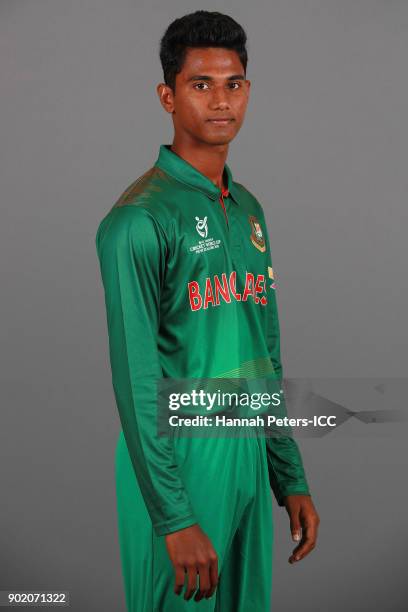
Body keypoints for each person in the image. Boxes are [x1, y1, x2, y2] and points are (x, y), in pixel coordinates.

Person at [95, 10, 320, 611]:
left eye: (234, 84)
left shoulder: (247, 208)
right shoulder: (137, 221)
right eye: (201, 85)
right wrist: (173, 515)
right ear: (168, 95)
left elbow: (262, 353)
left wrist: (287, 471)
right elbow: (136, 379)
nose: (222, 101)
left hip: (246, 444)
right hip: (180, 458)